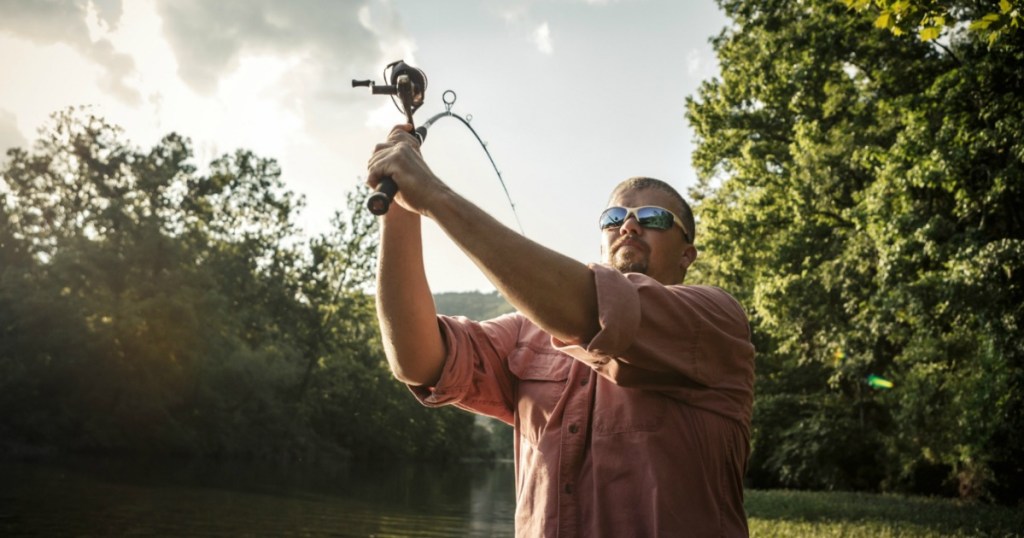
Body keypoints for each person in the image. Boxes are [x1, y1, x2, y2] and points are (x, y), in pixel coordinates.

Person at [366, 124, 755, 537]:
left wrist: (433, 195)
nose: (628, 226)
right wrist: (400, 205)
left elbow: (594, 312)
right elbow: (417, 361)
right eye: (614, 218)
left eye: (653, 218)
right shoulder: (527, 331)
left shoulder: (717, 319)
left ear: (687, 254)